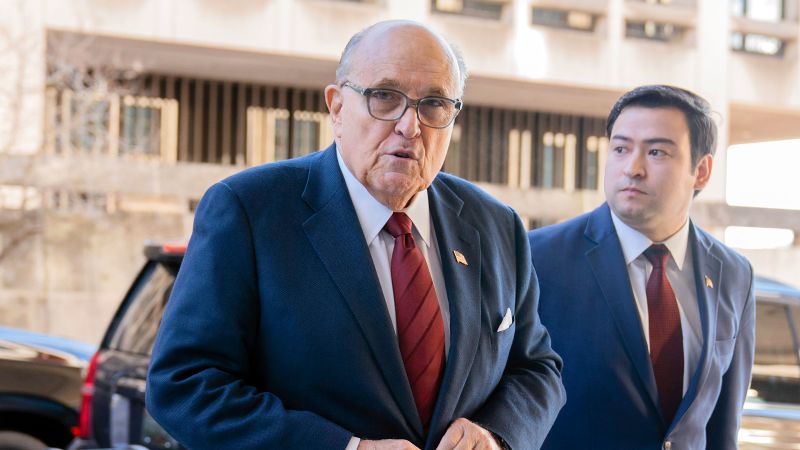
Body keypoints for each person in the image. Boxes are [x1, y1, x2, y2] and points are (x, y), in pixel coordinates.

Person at [147, 20, 564, 450]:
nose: (410, 126)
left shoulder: (497, 225)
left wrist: (496, 435)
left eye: (434, 104)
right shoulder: (250, 210)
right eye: (385, 96)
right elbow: (184, 383)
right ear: (337, 107)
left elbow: (536, 368)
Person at [529, 85, 755, 449]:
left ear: (701, 171)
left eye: (656, 152)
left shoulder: (734, 274)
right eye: (620, 149)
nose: (632, 169)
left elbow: (722, 428)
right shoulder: (538, 258)